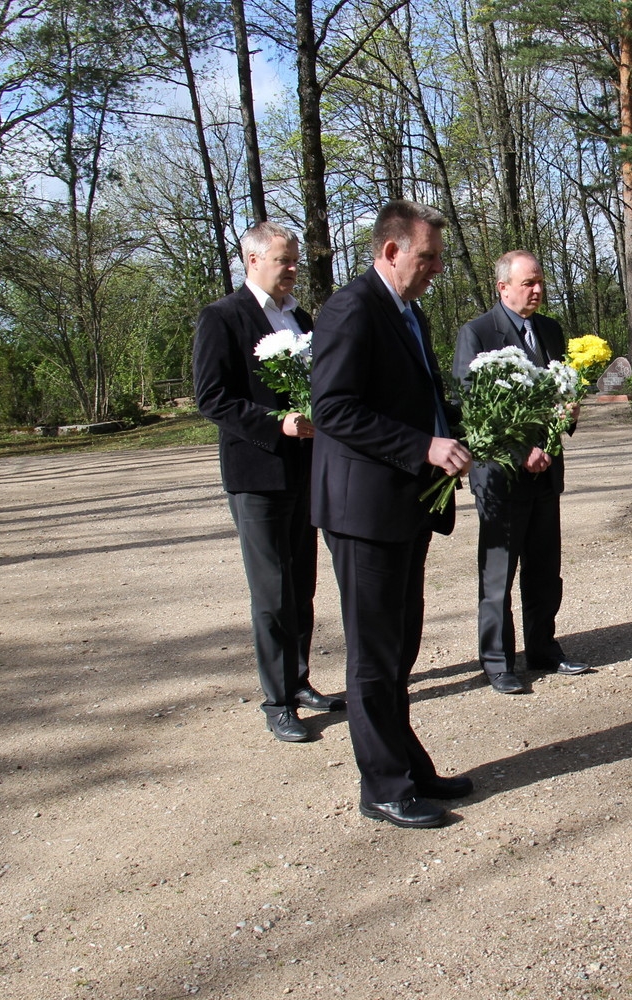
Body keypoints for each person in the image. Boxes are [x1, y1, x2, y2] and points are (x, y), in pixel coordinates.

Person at [309, 201, 474, 829]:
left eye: (437, 258)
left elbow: (420, 396)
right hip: (363, 510)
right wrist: (423, 446)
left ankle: (406, 763)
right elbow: (334, 409)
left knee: (401, 642)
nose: (435, 269)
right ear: (391, 252)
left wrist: (458, 434)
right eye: (427, 257)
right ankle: (382, 786)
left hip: (404, 502)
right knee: (375, 653)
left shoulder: (409, 310)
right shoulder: (353, 309)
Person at [193, 221, 344, 743]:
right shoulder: (222, 317)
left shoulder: (298, 317)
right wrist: (273, 423)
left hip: (304, 469)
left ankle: (297, 680)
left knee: (302, 582)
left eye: (297, 260)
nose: (295, 270)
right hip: (257, 473)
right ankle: (277, 700)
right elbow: (212, 397)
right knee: (272, 591)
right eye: (286, 261)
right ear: (252, 260)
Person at [453, 250, 591, 695]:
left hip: (545, 473)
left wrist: (568, 412)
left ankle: (543, 648)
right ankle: (497, 661)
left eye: (540, 282)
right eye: (528, 283)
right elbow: (472, 408)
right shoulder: (477, 333)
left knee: (544, 568)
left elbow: (561, 388)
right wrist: (520, 451)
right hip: (502, 475)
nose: (537, 290)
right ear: (503, 287)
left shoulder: (550, 330)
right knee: (498, 573)